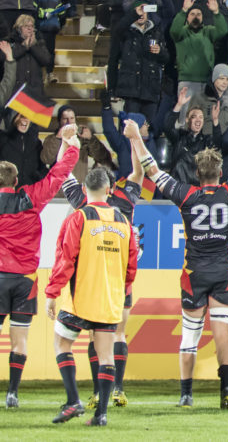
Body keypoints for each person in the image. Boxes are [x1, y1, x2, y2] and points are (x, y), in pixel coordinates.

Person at [135, 110, 228, 409]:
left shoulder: (186, 194)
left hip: (194, 273)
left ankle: (186, 394)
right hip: (223, 273)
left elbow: (152, 170)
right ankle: (226, 391)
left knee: (189, 338)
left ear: (197, 172)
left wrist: (135, 138)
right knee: (223, 334)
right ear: (219, 172)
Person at [62, 120, 146, 410]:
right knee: (116, 333)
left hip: (93, 277)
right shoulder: (126, 198)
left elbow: (64, 176)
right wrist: (135, 138)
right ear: (111, 186)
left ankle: (99, 392)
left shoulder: (80, 201)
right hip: (119, 276)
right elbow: (139, 171)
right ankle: (117, 389)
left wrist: (66, 143)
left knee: (95, 333)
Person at [46, 165, 138, 428]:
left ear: (84, 189)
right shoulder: (123, 221)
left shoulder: (79, 218)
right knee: (106, 356)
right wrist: (121, 290)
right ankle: (101, 415)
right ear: (109, 190)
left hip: (81, 299)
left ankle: (73, 400)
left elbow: (65, 260)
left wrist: (52, 293)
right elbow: (131, 266)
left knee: (62, 344)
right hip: (110, 299)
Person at [0, 124, 79, 409]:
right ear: (17, 179)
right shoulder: (30, 197)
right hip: (24, 280)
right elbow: (57, 176)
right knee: (19, 340)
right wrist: (70, 147)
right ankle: (12, 393)